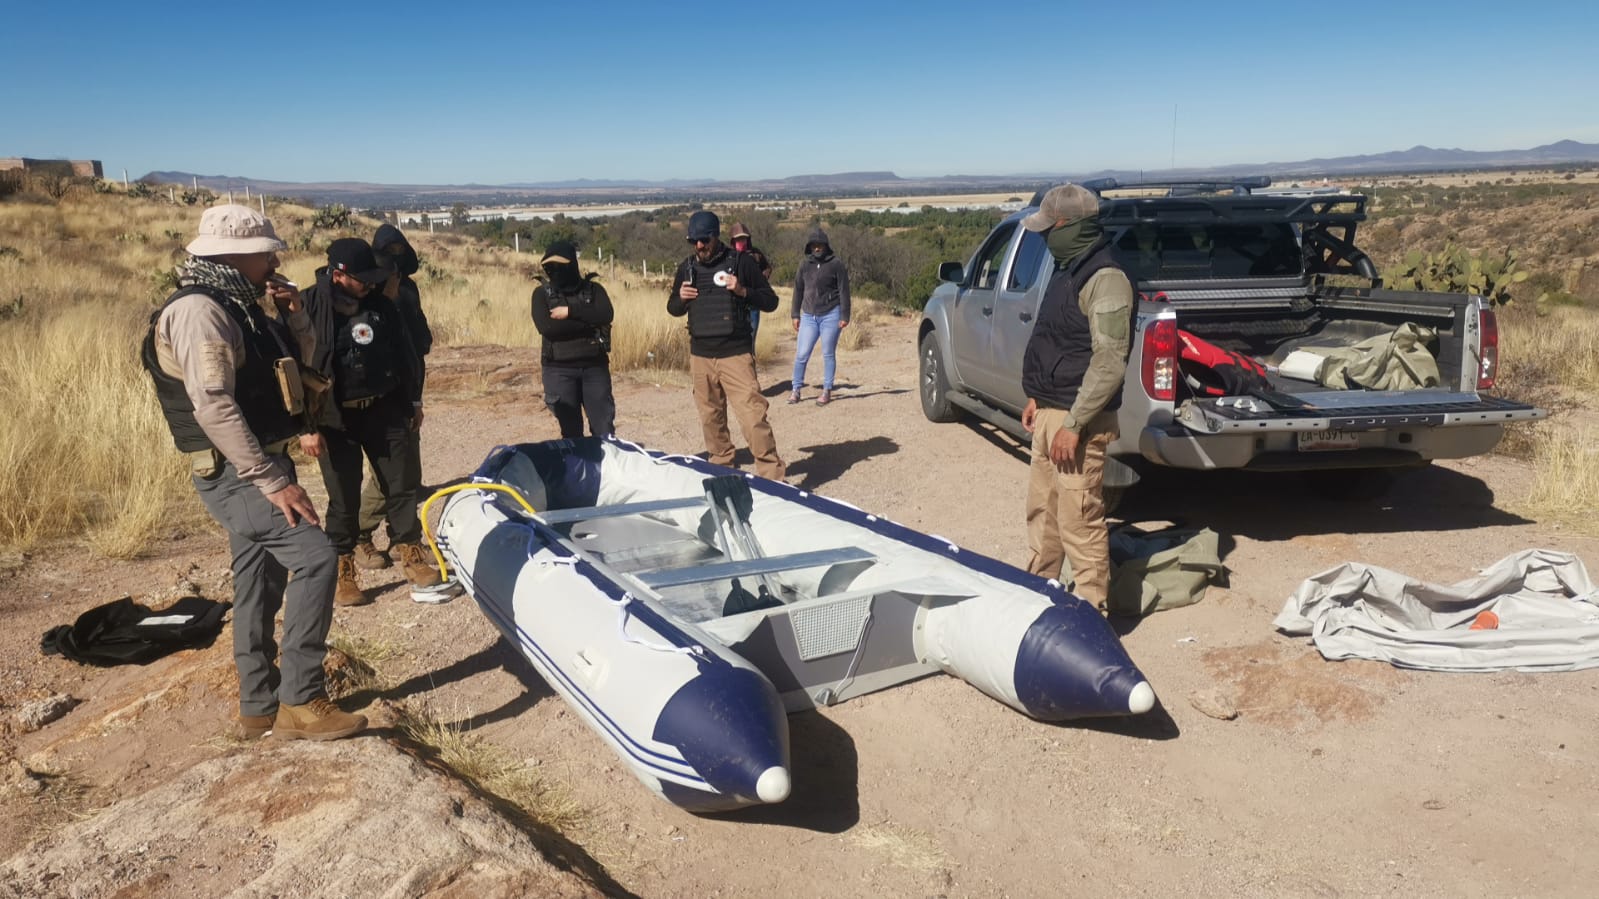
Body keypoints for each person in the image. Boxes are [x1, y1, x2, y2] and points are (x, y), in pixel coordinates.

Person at [141, 204, 366, 741]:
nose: (274, 259)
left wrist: (294, 318)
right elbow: (213, 405)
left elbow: (298, 370)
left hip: (255, 462)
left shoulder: (238, 303)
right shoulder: (201, 312)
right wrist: (271, 480)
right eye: (266, 251)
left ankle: (257, 705)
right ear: (237, 254)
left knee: (258, 582)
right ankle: (301, 700)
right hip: (240, 472)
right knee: (315, 559)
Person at [301, 237, 441, 605]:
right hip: (335, 420)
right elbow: (293, 371)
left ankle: (410, 553)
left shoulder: (381, 305)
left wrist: (413, 401)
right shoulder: (308, 306)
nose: (369, 283)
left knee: (401, 485)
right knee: (342, 499)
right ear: (339, 274)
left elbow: (405, 354)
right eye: (362, 277)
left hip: (385, 409)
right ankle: (344, 570)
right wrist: (307, 427)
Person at [1018, 184, 1135, 609]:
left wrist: (1073, 424)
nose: (1045, 238)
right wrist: (1037, 397)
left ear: (1071, 226)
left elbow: (1109, 362)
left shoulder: (1106, 279)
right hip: (1052, 413)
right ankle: (1039, 597)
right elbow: (1056, 340)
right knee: (1044, 516)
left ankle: (1092, 615)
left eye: (1050, 229)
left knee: (1079, 521)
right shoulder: (1069, 268)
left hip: (1079, 423)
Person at [667, 210, 786, 480]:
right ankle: (722, 470)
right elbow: (673, 307)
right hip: (700, 357)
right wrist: (681, 299)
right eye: (693, 241)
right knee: (711, 419)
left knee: (753, 417)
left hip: (736, 355)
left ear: (715, 236)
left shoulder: (741, 263)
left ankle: (772, 477)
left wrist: (743, 291)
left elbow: (771, 301)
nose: (699, 246)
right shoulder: (686, 268)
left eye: (704, 240)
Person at [352, 223, 434, 571]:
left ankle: (402, 537)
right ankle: (357, 535)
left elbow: (419, 339)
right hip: (383, 393)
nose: (394, 265)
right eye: (388, 256)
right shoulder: (368, 299)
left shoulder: (408, 289)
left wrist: (414, 397)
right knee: (392, 474)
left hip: (408, 385)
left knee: (408, 472)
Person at [531, 239, 615, 438]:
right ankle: (577, 470)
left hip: (595, 368)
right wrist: (588, 320)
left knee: (604, 430)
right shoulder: (541, 294)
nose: (554, 271)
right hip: (559, 371)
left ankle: (603, 469)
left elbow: (605, 314)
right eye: (549, 267)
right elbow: (548, 327)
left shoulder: (594, 290)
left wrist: (570, 311)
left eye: (559, 266)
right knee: (571, 433)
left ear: (572, 265)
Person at [788, 228, 851, 406]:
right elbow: (798, 290)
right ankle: (796, 389)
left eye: (820, 245)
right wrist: (795, 314)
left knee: (828, 353)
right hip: (808, 315)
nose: (817, 249)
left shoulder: (836, 264)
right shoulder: (804, 265)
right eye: (814, 245)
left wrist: (844, 315)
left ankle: (826, 390)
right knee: (801, 354)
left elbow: (844, 291)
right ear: (809, 247)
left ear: (826, 246)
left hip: (831, 314)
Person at [729, 222, 773, 337]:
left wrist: (761, 279)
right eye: (738, 239)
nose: (742, 242)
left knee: (751, 337)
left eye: (744, 239)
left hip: (753, 302)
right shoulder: (728, 256)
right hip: (734, 305)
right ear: (733, 241)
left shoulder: (756, 254)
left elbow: (767, 267)